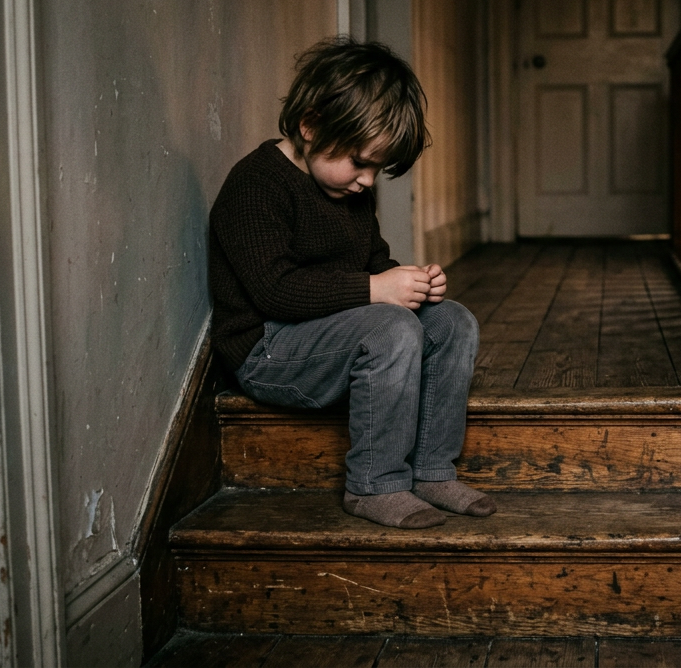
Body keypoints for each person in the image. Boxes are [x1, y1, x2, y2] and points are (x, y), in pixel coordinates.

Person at [208, 36, 493, 529]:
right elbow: (275, 291)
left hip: (330, 333)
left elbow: (373, 264)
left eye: (378, 168)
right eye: (361, 162)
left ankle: (431, 470)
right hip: (267, 349)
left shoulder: (349, 193)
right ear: (311, 126)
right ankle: (374, 484)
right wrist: (377, 290)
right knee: (390, 329)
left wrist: (415, 283)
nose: (367, 180)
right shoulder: (255, 185)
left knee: (453, 322)